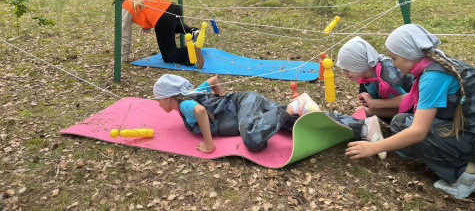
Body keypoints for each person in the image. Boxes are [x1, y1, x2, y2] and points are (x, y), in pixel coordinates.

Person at [345, 24, 475, 199]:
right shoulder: (436, 63)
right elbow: (416, 98)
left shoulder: (433, 77)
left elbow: (418, 131)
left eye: (394, 58)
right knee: (400, 122)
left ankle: (470, 176)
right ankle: (465, 163)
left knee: (406, 125)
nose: (393, 63)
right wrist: (376, 105)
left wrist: (373, 147)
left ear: (409, 55)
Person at [153, 74, 387, 157]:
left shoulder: (185, 105)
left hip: (245, 103)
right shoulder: (191, 92)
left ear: (167, 97)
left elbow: (200, 111)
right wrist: (223, 101)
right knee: (298, 124)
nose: (158, 103)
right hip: (247, 103)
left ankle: (292, 106)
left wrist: (208, 143)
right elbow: (214, 81)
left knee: (254, 140)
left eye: (158, 99)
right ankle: (364, 126)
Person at [336, 36, 414, 120]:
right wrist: (369, 110)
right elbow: (375, 107)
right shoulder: (366, 80)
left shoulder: (393, 73)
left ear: (360, 64)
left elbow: (415, 99)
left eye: (348, 69)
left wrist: (375, 104)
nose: (344, 73)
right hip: (399, 114)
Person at [118, 0, 199, 65]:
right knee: (171, 25)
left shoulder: (126, 5)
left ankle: (190, 51)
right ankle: (192, 31)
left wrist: (122, 58)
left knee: (168, 56)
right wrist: (147, 25)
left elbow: (124, 34)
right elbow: (152, 10)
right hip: (174, 8)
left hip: (163, 18)